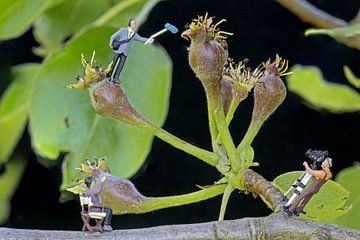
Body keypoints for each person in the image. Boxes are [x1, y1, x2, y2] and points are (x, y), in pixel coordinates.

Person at [107, 18, 154, 84]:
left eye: (135, 24)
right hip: (118, 50)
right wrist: (111, 43)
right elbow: (113, 36)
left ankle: (116, 77)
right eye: (133, 23)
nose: (135, 25)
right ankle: (108, 75)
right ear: (129, 24)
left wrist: (149, 40)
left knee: (121, 65)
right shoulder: (123, 30)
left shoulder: (134, 35)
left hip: (125, 52)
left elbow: (141, 39)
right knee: (113, 63)